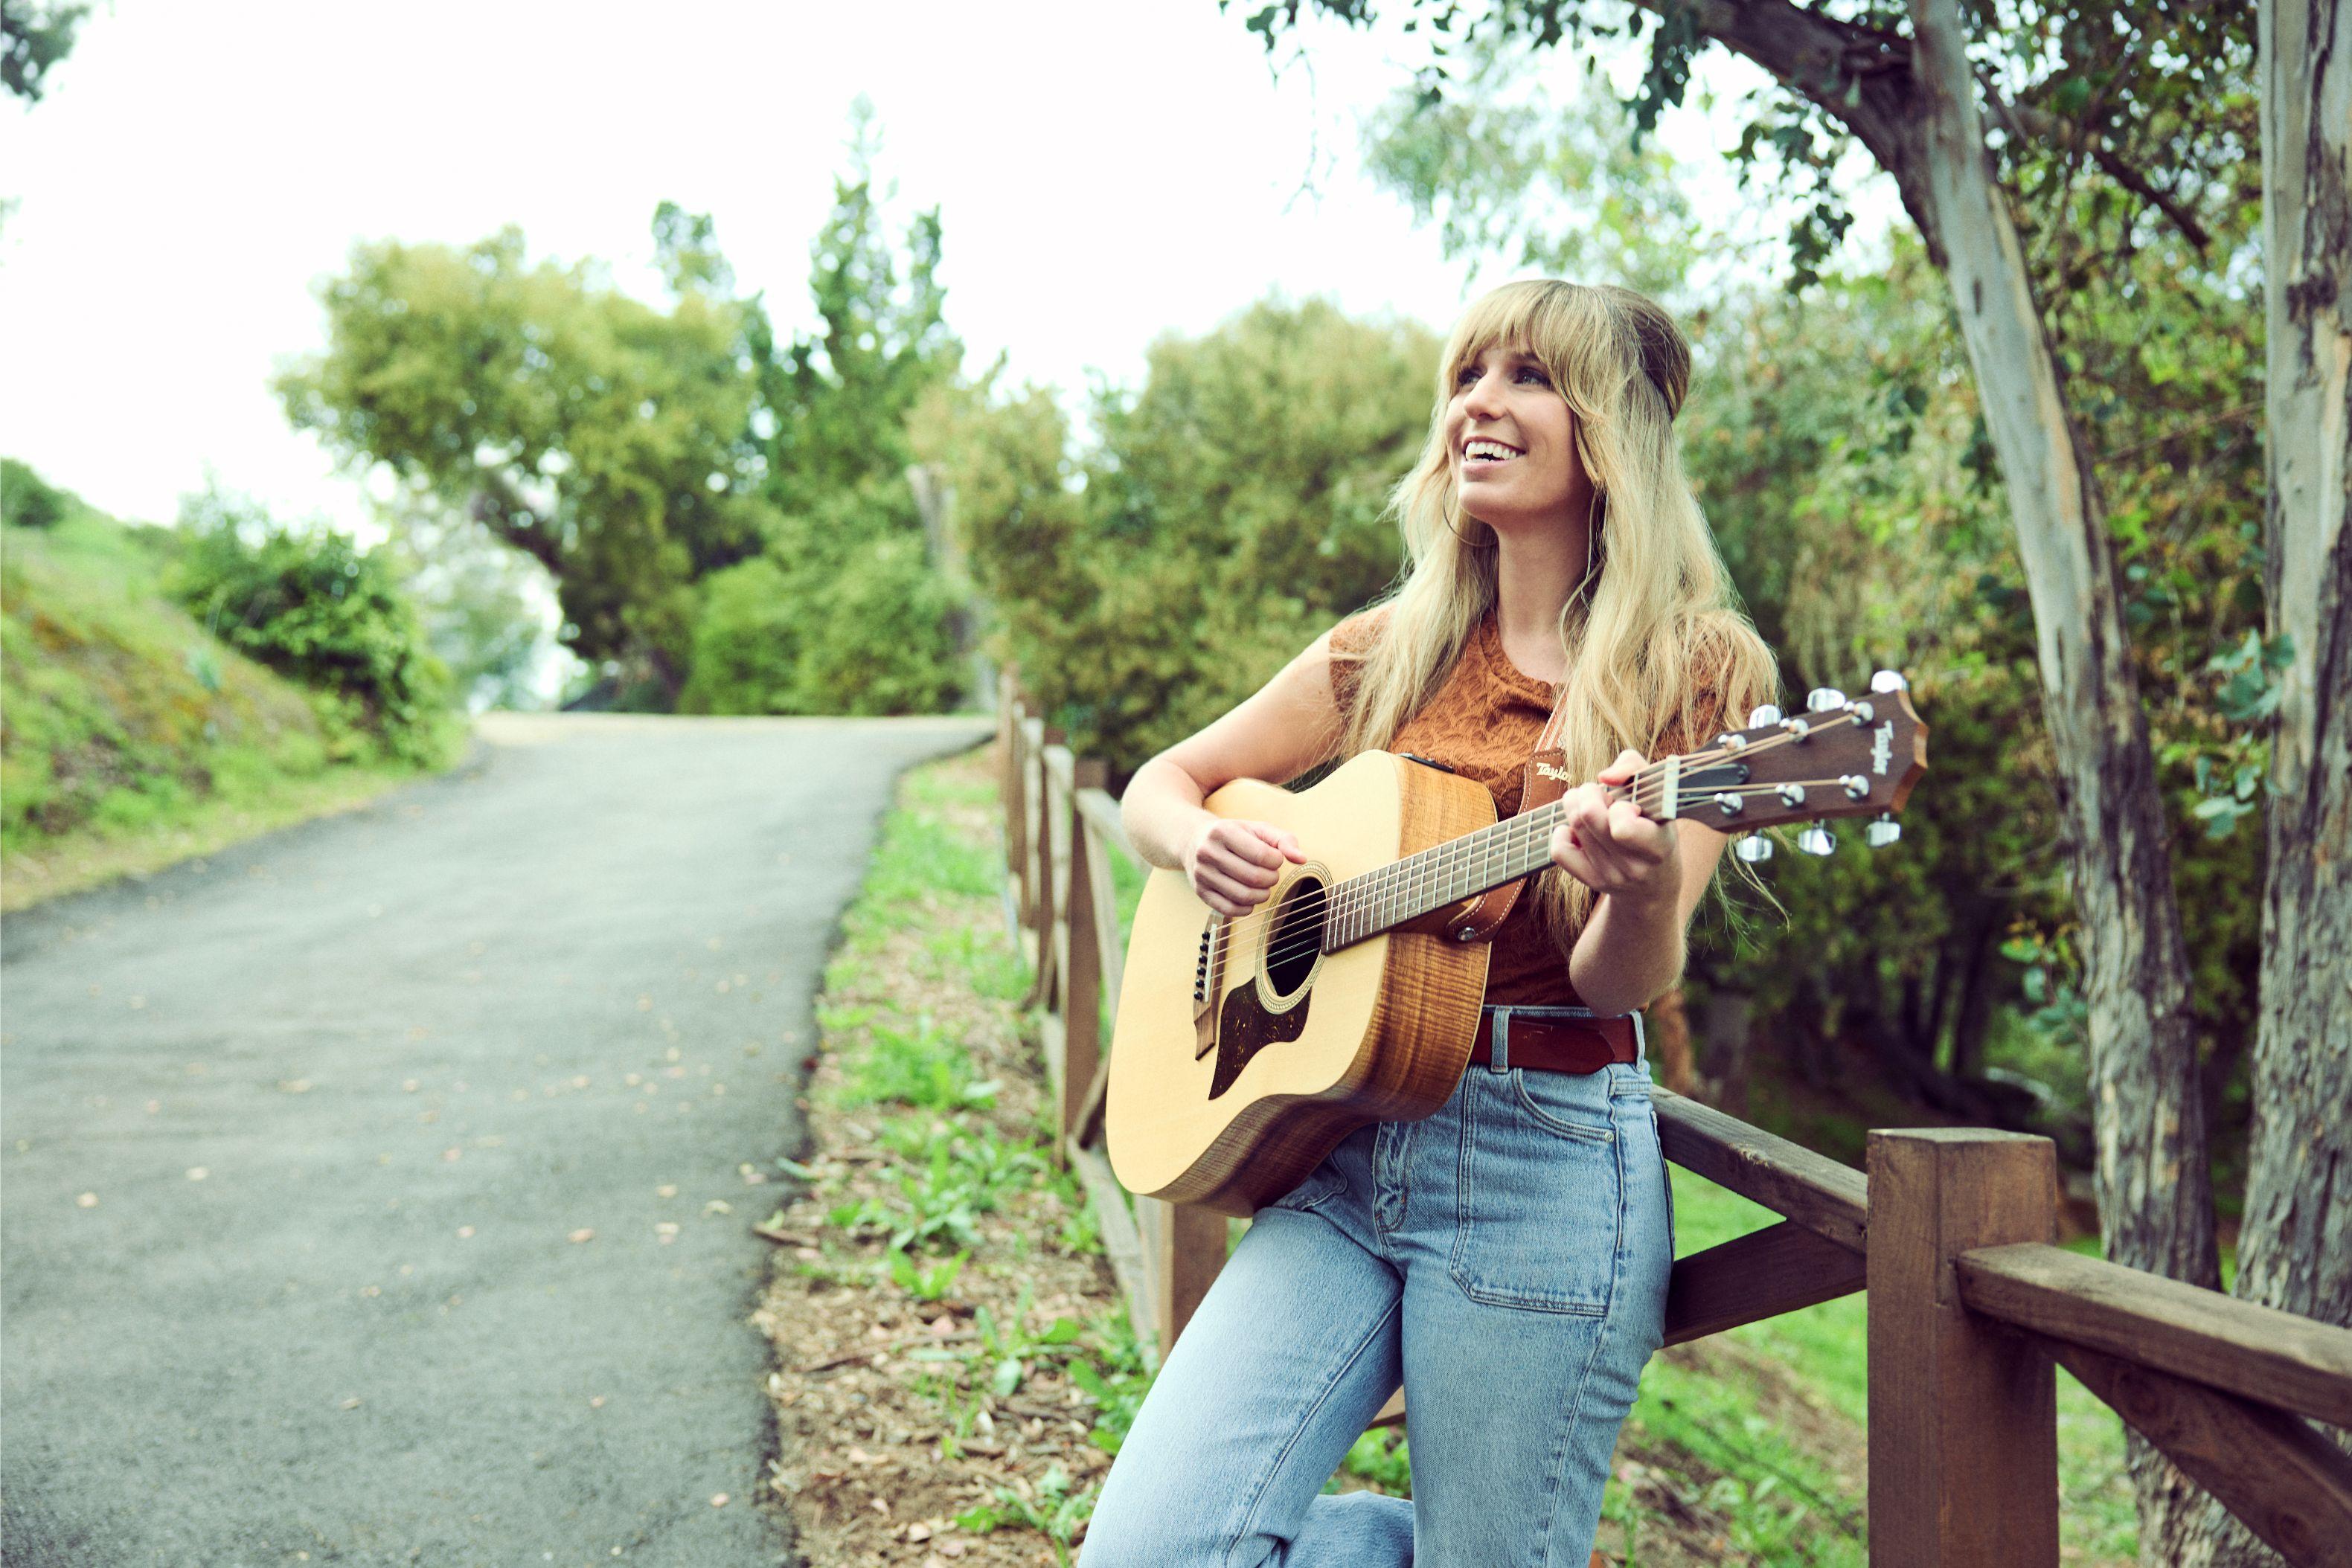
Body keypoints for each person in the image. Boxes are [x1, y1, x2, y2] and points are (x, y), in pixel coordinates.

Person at [1078, 278, 1779, 1568]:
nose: (1479, 404)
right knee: (1148, 1552)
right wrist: (1202, 843)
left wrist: (1633, 889)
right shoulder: (1388, 650)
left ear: (1608, 432)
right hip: (1344, 1152)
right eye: (1467, 375)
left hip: (1544, 1160)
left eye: (1526, 376)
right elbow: (1155, 786)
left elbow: (1619, 986)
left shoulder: (1694, 671)